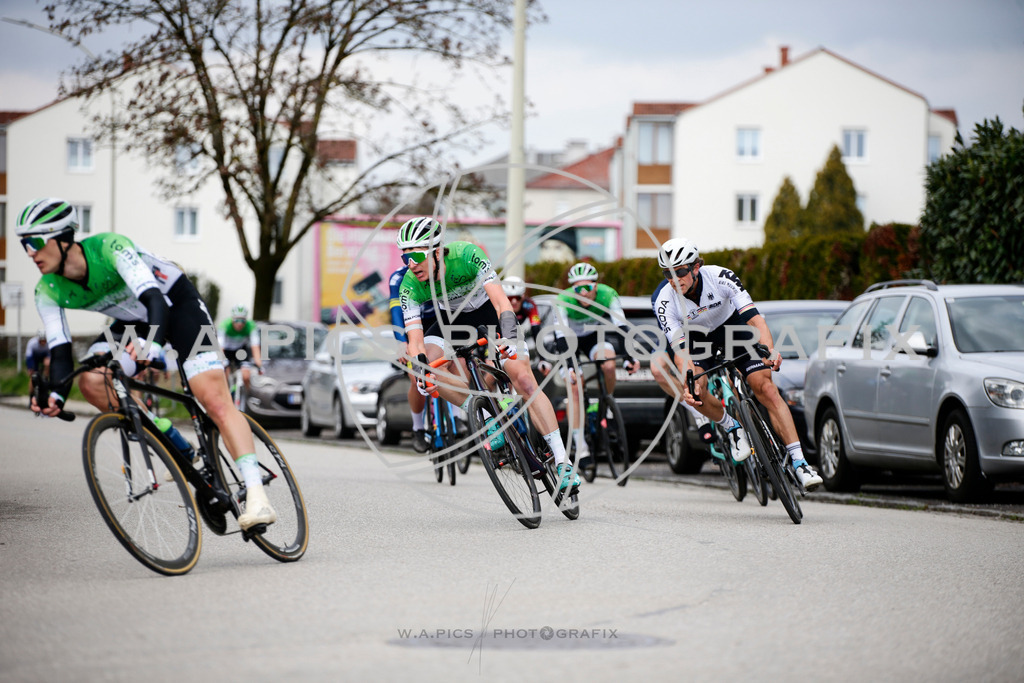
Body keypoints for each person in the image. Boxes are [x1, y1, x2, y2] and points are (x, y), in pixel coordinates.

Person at [16, 197, 277, 530]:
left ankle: (257, 497)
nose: (29, 252)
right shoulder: (47, 290)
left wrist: (153, 344)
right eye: (24, 244)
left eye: (35, 242)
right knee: (93, 379)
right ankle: (175, 443)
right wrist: (55, 394)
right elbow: (62, 351)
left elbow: (155, 299)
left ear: (63, 238)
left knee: (212, 399)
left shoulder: (109, 248)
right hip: (130, 325)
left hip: (176, 305)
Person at [396, 216, 580, 492]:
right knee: (431, 372)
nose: (411, 264)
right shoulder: (410, 285)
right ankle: (486, 418)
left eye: (417, 255)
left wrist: (507, 337)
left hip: (491, 315)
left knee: (524, 379)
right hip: (451, 321)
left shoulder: (467, 255)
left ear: (436, 251)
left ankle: (564, 462)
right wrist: (421, 368)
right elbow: (416, 341)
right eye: (405, 257)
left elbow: (500, 301)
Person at [649, 237, 823, 490]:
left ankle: (800, 463)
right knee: (696, 389)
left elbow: (755, 320)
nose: (675, 280)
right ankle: (731, 427)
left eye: (681, 272)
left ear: (696, 267)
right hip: (695, 337)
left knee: (765, 388)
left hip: (731, 328)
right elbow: (680, 350)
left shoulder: (721, 277)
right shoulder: (664, 300)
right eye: (668, 274)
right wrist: (688, 377)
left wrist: (769, 350)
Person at [552, 262, 638, 465]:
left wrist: (629, 356)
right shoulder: (563, 300)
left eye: (588, 287)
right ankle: (580, 447)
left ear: (596, 286)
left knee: (608, 365)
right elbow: (561, 335)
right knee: (574, 386)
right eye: (578, 288)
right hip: (569, 340)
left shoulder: (608, 295)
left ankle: (606, 405)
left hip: (593, 336)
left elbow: (622, 326)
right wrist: (571, 367)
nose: (583, 292)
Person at [388, 259, 437, 453]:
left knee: (454, 365)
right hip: (412, 326)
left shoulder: (438, 272)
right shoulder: (399, 278)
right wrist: (401, 342)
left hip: (437, 324)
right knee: (416, 377)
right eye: (405, 256)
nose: (411, 261)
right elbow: (396, 310)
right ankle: (418, 428)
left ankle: (456, 417)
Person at [218, 305, 262, 397]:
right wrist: (222, 361)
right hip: (226, 350)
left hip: (241, 350)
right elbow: (219, 346)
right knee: (224, 373)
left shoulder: (251, 326)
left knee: (246, 376)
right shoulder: (224, 325)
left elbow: (255, 347)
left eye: (242, 320)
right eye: (236, 320)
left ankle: (248, 397)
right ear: (232, 319)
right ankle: (225, 396)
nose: (239, 323)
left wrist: (259, 365)